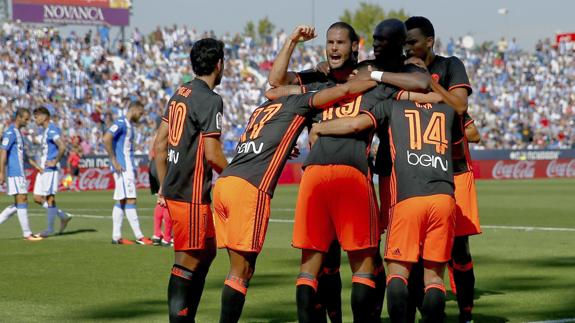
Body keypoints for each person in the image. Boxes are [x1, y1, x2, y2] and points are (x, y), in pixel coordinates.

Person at [214, 72, 378, 323]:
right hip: (249, 187)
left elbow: (271, 101)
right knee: (241, 272)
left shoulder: (262, 108)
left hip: (225, 183)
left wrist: (282, 147)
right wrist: (377, 79)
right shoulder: (298, 102)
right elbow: (342, 92)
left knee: (236, 270)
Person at [310, 93, 467, 323]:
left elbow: (355, 124)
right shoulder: (447, 109)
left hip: (408, 196)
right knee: (434, 279)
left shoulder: (393, 105)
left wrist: (320, 127)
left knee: (397, 275)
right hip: (444, 197)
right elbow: (459, 152)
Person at [404, 16, 481, 323]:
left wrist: (429, 80)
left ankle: (466, 313)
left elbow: (461, 108)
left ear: (429, 42)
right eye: (404, 42)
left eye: (412, 42)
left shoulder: (451, 66)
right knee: (417, 250)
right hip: (417, 169)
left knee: (459, 247)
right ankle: (425, 310)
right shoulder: (401, 71)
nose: (407, 47)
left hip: (455, 169)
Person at [154, 38, 228, 322]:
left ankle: (187, 316)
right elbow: (212, 153)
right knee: (187, 261)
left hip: (176, 190)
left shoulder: (179, 93)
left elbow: (159, 145)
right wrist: (235, 174)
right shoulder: (210, 99)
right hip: (191, 193)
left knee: (207, 251)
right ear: (219, 64)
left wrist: (163, 184)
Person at [103, 100, 152, 245]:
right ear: (135, 110)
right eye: (141, 113)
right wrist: (114, 160)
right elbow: (106, 138)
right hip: (123, 168)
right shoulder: (121, 122)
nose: (141, 116)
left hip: (127, 167)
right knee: (131, 199)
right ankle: (139, 236)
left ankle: (116, 237)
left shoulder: (129, 125)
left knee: (122, 200)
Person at [0, 108, 43, 241]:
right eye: (26, 118)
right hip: (14, 172)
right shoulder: (10, 132)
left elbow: (23, 155)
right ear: (18, 117)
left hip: (20, 173)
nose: (27, 121)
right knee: (22, 200)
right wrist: (1, 172)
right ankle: (27, 234)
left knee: (19, 203)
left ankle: (27, 233)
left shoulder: (19, 134)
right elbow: (3, 152)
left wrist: (37, 167)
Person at [30, 107, 73, 237]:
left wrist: (55, 161)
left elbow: (62, 146)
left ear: (44, 116)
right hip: (43, 169)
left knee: (49, 198)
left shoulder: (52, 129)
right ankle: (63, 216)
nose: (35, 119)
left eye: (36, 116)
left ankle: (49, 229)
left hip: (50, 169)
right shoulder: (45, 131)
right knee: (37, 198)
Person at [148, 132, 172, 246]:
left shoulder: (158, 134)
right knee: (168, 199)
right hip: (163, 165)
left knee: (161, 199)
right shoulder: (170, 132)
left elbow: (151, 148)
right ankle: (167, 238)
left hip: (154, 163)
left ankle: (157, 234)